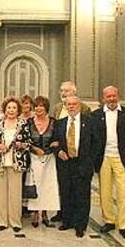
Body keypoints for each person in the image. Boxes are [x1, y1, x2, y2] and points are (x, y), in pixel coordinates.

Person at [92, 86, 125, 241]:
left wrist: (124, 149)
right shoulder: (96, 115)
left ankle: (123, 225)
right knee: (105, 191)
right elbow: (95, 138)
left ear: (118, 96)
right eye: (108, 96)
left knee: (123, 192)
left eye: (114, 95)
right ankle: (109, 221)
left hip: (121, 157)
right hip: (103, 157)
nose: (111, 98)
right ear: (103, 98)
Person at [0, 96, 31, 232]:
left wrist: (22, 145)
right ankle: (2, 221)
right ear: (5, 110)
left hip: (16, 164)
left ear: (18, 110)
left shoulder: (23, 124)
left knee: (15, 194)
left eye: (14, 108)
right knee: (0, 194)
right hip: (0, 163)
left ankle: (15, 222)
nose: (11, 110)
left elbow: (29, 143)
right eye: (9, 108)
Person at [54, 96, 95, 238]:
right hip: (65, 164)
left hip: (83, 163)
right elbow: (55, 142)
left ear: (80, 106)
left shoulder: (89, 122)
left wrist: (90, 162)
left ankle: (80, 225)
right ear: (66, 106)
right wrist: (58, 151)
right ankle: (67, 221)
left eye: (74, 104)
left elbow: (96, 143)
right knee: (66, 193)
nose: (71, 107)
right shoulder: (60, 123)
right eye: (69, 104)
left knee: (82, 195)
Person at [50, 80, 91, 223]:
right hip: (62, 155)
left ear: (74, 92)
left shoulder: (85, 109)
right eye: (61, 90)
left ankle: (79, 221)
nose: (63, 93)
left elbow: (90, 136)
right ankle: (63, 215)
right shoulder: (56, 108)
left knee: (80, 191)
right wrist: (57, 148)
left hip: (79, 157)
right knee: (64, 187)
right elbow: (54, 130)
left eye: (66, 91)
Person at [27, 96, 60, 228]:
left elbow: (58, 137)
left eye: (41, 106)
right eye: (36, 106)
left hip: (49, 159)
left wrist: (56, 142)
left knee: (47, 187)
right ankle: (35, 213)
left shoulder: (53, 122)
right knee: (36, 185)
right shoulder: (29, 122)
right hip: (34, 158)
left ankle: (45, 213)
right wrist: (34, 148)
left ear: (46, 107)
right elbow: (25, 138)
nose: (39, 108)